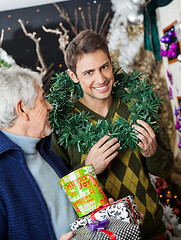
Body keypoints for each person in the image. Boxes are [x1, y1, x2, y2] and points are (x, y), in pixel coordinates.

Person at [51, 30, 174, 240]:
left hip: (153, 231)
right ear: (73, 76)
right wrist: (88, 171)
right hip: (106, 236)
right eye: (88, 72)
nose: (100, 78)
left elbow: (165, 169)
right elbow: (59, 192)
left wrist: (152, 152)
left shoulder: (135, 105)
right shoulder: (63, 126)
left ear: (111, 63)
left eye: (104, 67)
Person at [0, 66, 78, 240]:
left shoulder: (45, 152)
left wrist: (101, 214)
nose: (50, 106)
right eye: (42, 100)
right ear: (22, 109)